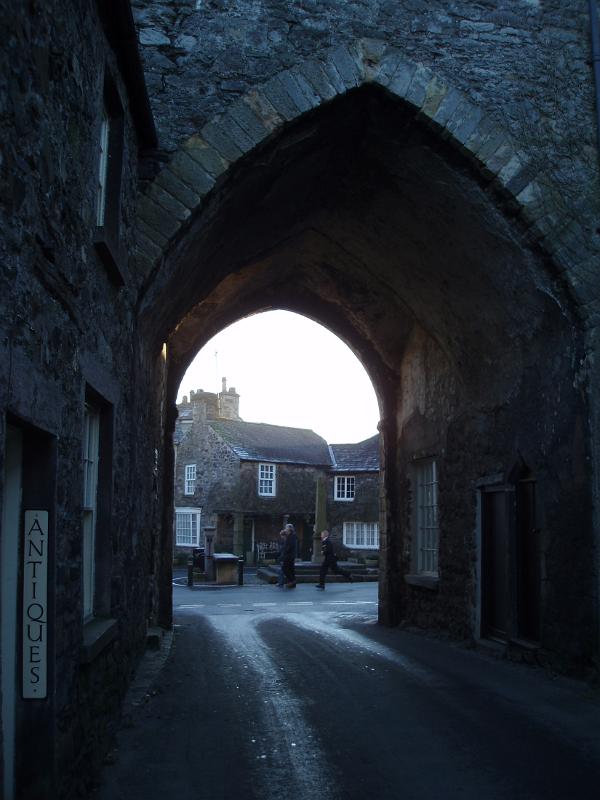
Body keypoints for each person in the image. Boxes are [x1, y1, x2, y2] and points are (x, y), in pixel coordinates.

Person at [282, 523, 297, 588]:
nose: (285, 529)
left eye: (286, 528)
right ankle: (292, 582)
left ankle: (292, 581)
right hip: (290, 555)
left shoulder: (292, 536)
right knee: (291, 569)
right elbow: (282, 536)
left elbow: (290, 546)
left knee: (285, 568)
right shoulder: (289, 536)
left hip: (289, 556)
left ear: (289, 529)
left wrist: (285, 552)